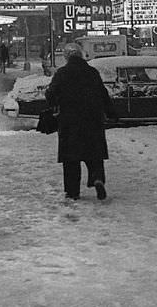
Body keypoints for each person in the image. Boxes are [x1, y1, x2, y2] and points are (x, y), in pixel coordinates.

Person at [45, 43, 113, 201]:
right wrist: (110, 112)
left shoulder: (62, 73)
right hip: (93, 120)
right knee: (94, 153)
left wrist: (54, 103)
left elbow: (51, 94)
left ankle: (72, 191)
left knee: (71, 158)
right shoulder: (92, 72)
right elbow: (103, 93)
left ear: (67, 57)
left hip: (70, 121)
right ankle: (97, 178)